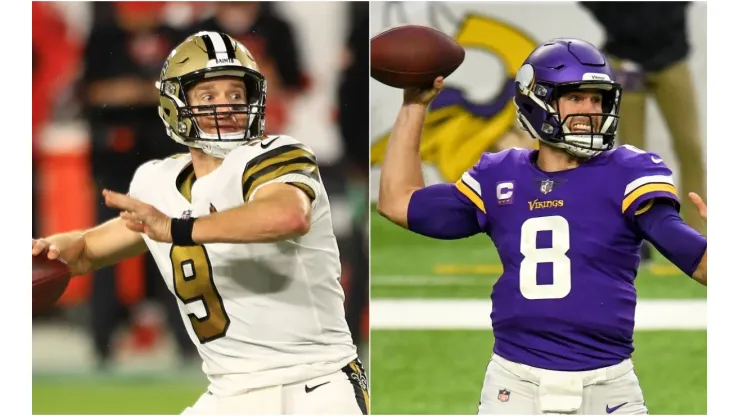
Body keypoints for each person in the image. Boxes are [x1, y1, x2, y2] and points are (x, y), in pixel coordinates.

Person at [32, 31, 368, 415]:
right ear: (175, 104)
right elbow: (87, 250)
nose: (224, 106)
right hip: (228, 393)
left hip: (314, 384)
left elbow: (287, 215)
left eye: (235, 95)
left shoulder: (277, 155)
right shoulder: (157, 181)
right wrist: (55, 249)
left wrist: (178, 228)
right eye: (208, 96)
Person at [377, 38, 706, 415]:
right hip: (515, 386)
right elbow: (398, 201)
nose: (591, 110)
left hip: (608, 387)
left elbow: (698, 261)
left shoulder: (628, 171)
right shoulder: (500, 176)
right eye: (576, 98)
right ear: (538, 101)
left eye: (598, 99)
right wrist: (414, 106)